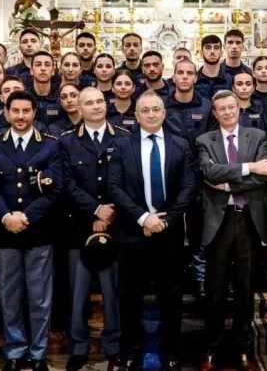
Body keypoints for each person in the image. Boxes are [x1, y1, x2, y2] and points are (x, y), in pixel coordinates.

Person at [108, 91, 197, 371]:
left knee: (171, 297)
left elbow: (188, 188)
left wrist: (166, 220)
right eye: (144, 110)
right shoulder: (122, 146)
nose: (150, 114)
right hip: (133, 233)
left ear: (164, 112)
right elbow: (115, 188)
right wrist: (144, 218)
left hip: (168, 235)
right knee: (130, 296)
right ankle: (131, 350)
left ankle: (171, 350)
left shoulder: (180, 145)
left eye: (155, 109)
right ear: (136, 116)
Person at [196, 91, 267, 371]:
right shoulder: (204, 140)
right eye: (222, 109)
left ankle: (244, 348)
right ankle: (212, 348)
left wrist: (229, 185)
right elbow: (208, 172)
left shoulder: (258, 136)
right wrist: (249, 167)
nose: (228, 112)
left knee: (245, 288)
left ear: (239, 108)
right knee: (214, 289)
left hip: (249, 221)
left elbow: (265, 176)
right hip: (218, 221)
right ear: (214, 113)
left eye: (232, 107)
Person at [0, 91, 63, 371]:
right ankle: (14, 352)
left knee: (39, 298)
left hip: (38, 231)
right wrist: (7, 216)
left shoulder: (50, 146)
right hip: (4, 231)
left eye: (26, 111)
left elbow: (55, 189)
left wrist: (26, 217)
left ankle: (38, 353)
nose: (20, 116)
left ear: (34, 113)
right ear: (6, 112)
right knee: (9, 297)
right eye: (15, 111)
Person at [61, 88, 129, 371]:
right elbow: (65, 182)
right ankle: (78, 347)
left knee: (113, 291)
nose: (96, 106)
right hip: (80, 227)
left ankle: (113, 345)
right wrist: (94, 210)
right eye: (89, 102)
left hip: (116, 225)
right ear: (78, 107)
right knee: (78, 293)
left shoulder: (124, 137)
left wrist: (109, 210)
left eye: (100, 101)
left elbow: (129, 178)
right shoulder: (66, 142)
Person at [164, 59, 216, 147]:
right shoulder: (162, 105)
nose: (185, 77)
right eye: (180, 72)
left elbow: (212, 139)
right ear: (173, 78)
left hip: (199, 158)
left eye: (190, 73)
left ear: (195, 78)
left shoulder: (207, 106)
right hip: (171, 159)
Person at [196, 35, 232, 99]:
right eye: (208, 48)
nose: (212, 51)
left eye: (216, 48)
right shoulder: (194, 80)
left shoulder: (230, 79)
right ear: (201, 53)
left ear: (221, 53)